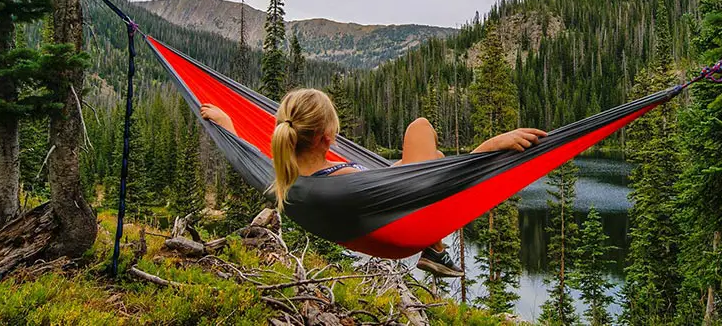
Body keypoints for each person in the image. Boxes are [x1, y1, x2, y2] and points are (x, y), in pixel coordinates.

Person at [202, 88, 546, 278]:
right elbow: (436, 189)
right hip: (401, 231)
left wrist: (228, 125)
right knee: (420, 128)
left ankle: (437, 249)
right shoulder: (344, 182)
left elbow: (248, 155)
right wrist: (490, 148)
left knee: (435, 157)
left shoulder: (283, 174)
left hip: (377, 212)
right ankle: (435, 248)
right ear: (326, 138)